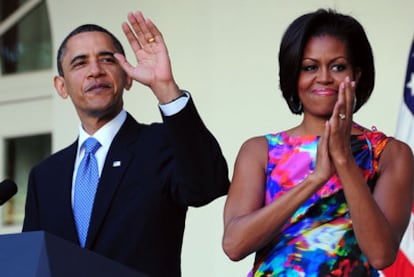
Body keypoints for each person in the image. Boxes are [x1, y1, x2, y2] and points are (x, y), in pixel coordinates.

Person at [22, 10, 229, 277]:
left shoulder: (160, 144)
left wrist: (165, 87)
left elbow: (209, 186)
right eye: (80, 63)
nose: (95, 71)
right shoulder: (45, 176)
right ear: (61, 86)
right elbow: (32, 264)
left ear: (128, 76)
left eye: (107, 60)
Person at [222, 9, 414, 276]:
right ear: (294, 76)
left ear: (356, 75)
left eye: (337, 66)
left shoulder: (390, 153)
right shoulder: (260, 151)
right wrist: (316, 178)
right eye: (310, 67)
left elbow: (381, 254)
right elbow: (234, 245)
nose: (323, 77)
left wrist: (344, 158)